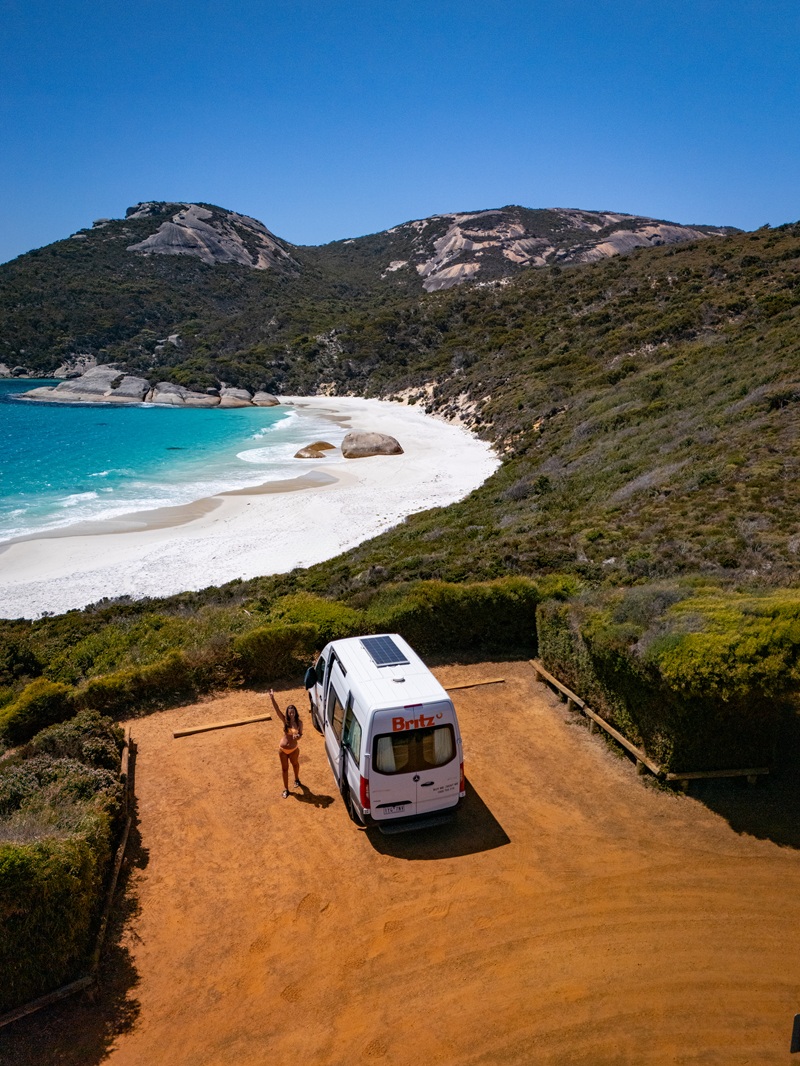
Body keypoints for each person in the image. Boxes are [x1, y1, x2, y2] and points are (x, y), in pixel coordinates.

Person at [269, 689, 304, 798]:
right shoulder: (285, 721)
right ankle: (286, 789)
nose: (291, 711)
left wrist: (297, 736)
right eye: (289, 710)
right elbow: (277, 710)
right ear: (288, 713)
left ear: (295, 712)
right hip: (282, 750)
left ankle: (297, 779)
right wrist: (272, 698)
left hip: (294, 750)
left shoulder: (299, 723)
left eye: (293, 710)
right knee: (284, 769)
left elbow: (300, 736)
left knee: (295, 765)